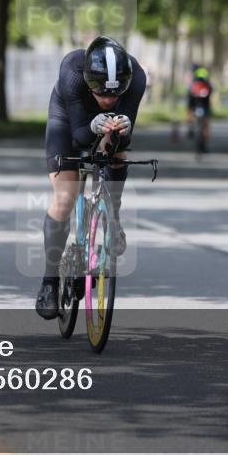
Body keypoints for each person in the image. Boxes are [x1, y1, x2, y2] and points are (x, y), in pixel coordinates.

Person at [36, 36, 148, 319]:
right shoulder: (72, 71)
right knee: (65, 195)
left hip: (106, 125)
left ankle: (114, 215)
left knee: (117, 154)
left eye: (115, 94)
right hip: (68, 118)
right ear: (88, 82)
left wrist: (122, 128)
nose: (109, 99)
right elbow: (78, 136)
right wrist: (95, 124)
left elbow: (125, 139)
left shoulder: (136, 79)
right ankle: (49, 283)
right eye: (101, 92)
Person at [186, 66, 213, 151]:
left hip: (194, 102)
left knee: (190, 109)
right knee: (206, 123)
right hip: (205, 103)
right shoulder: (207, 83)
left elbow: (190, 91)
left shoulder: (194, 83)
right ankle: (205, 137)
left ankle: (190, 126)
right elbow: (212, 90)